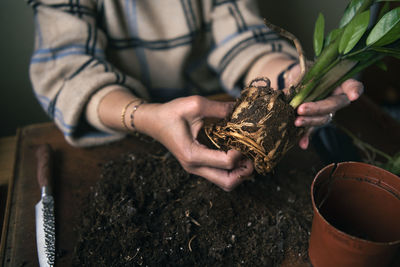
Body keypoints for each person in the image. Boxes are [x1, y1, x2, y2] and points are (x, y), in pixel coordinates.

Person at [28, 0, 363, 191]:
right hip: (117, 124)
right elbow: (69, 69)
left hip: (212, 121)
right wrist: (145, 117)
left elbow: (243, 42)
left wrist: (293, 79)